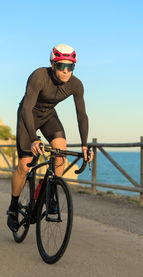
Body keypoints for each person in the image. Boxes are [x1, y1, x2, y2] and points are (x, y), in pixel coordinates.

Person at [7, 43, 93, 232]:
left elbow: (82, 116)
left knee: (61, 152)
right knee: (24, 164)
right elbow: (27, 108)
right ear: (53, 65)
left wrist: (85, 146)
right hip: (27, 116)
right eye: (61, 66)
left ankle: (49, 193)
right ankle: (13, 207)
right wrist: (33, 138)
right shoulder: (39, 76)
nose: (65, 71)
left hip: (48, 116)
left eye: (70, 67)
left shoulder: (76, 85)